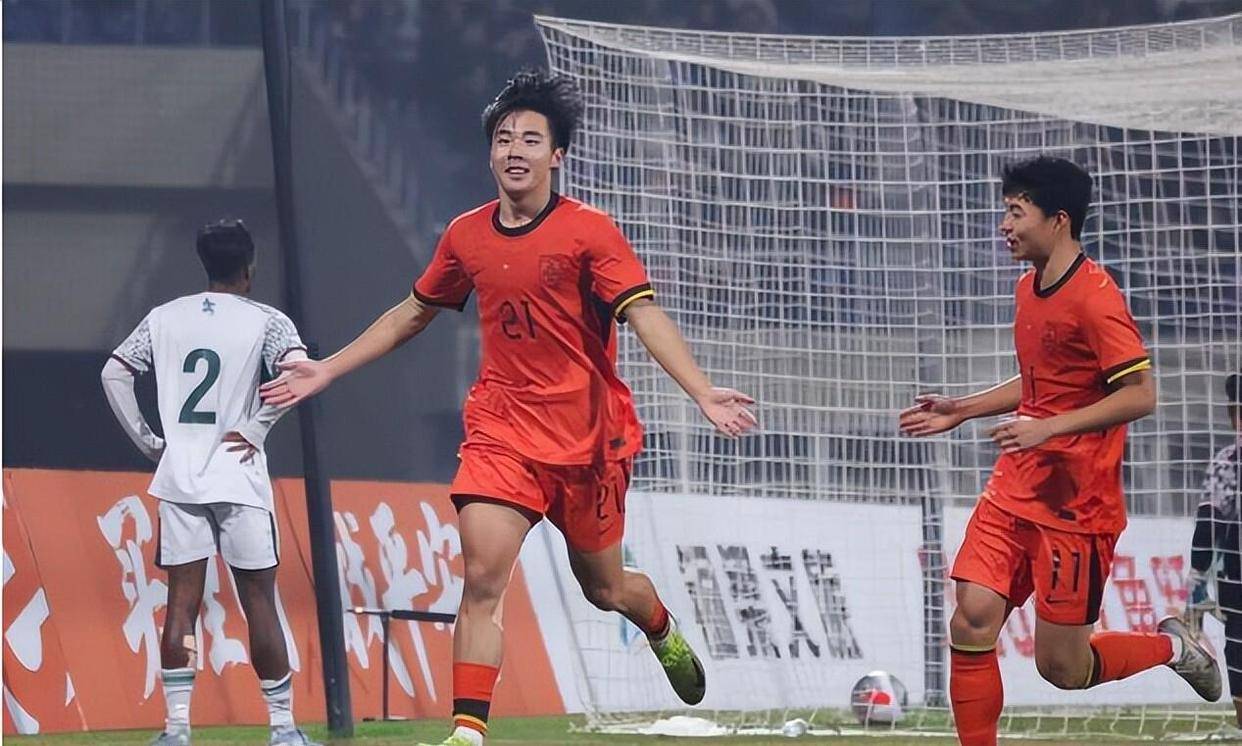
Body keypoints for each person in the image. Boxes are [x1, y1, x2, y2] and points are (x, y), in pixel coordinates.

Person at [259, 70, 757, 746]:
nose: (514, 149)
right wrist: (328, 367)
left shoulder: (590, 232)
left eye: (530, 139)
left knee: (605, 589)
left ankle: (659, 625)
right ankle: (468, 732)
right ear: (490, 152)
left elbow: (643, 314)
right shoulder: (466, 235)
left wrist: (699, 389)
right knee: (482, 576)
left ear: (557, 156)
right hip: (502, 434)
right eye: (503, 138)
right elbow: (412, 312)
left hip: (588, 441)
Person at [898, 156, 1220, 746]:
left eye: (1016, 212)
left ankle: (1174, 648)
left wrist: (1050, 429)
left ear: (1059, 219)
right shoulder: (1028, 287)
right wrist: (963, 408)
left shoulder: (1096, 299)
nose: (1005, 225)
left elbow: (1141, 394)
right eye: (1005, 211)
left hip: (1077, 508)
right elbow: (1040, 381)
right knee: (971, 618)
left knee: (1063, 669)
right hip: (1015, 488)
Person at [101, 219, 317, 746]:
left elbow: (115, 372)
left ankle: (176, 729)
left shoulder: (163, 317)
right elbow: (299, 373)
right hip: (238, 475)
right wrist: (257, 428)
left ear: (203, 263)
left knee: (181, 602)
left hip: (181, 477)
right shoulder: (268, 320)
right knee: (259, 601)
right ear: (249, 267)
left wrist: (150, 442)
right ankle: (283, 729)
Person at [1187, 372, 1242, 733]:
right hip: (1236, 576)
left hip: (1237, 576)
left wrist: (1195, 581)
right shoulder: (1228, 461)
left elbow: (1210, 522)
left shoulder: (1229, 461)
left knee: (1238, 649)